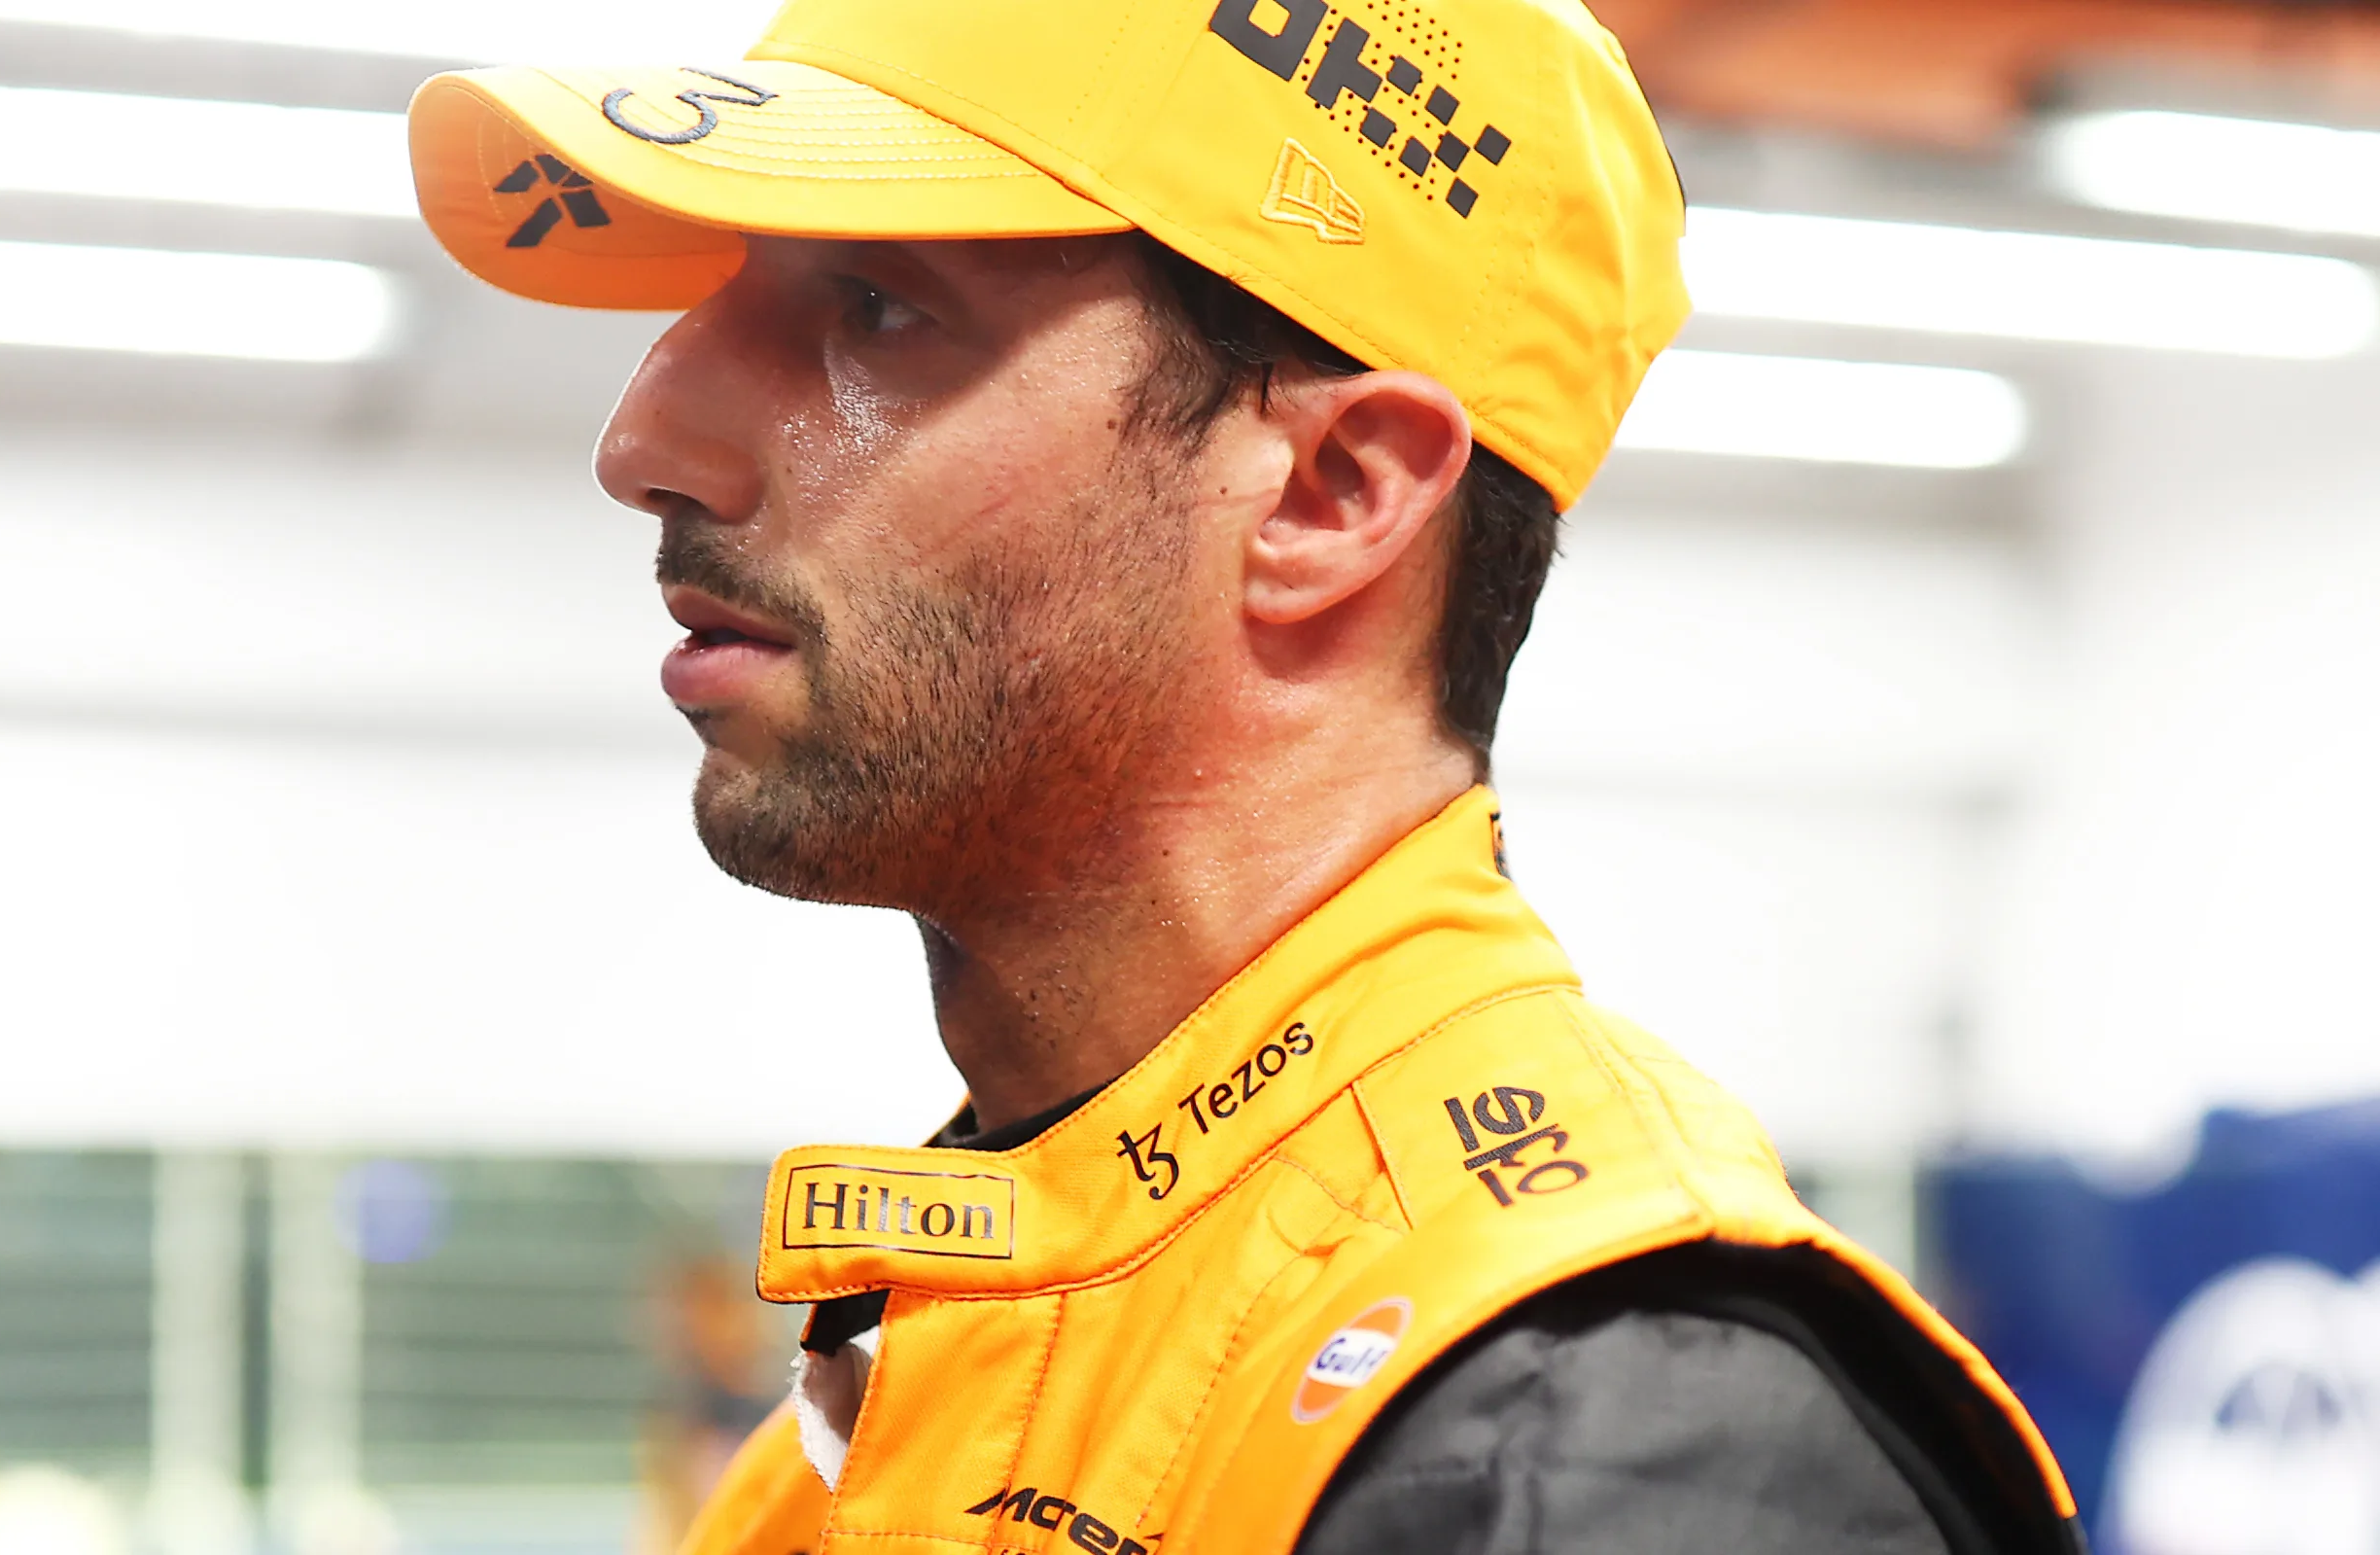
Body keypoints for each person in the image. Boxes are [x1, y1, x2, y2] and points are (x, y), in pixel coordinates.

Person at [405, 0, 2084, 1549]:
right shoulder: (876, 1410)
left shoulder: (1597, 1438)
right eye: (720, 301)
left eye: (877, 306)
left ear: (1328, 494)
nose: (644, 442)